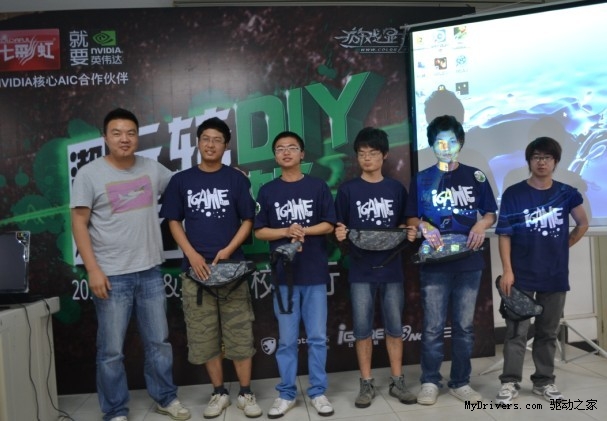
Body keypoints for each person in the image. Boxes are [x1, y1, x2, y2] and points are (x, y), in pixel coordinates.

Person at [70, 108, 191, 421]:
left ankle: (166, 397)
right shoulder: (89, 174)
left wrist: (225, 177)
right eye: (117, 133)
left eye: (130, 133)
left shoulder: (151, 168)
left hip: (150, 271)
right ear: (105, 137)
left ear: (137, 136)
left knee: (159, 343)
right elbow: (79, 223)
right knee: (111, 351)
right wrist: (93, 269)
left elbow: (183, 186)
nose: (124, 139)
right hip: (111, 275)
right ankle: (114, 410)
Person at [160, 117, 261, 419]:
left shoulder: (236, 180)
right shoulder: (182, 181)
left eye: (217, 139)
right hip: (197, 272)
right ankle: (219, 393)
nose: (211, 144)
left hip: (233, 271)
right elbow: (173, 220)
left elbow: (248, 220)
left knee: (239, 332)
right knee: (204, 334)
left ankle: (245, 393)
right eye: (206, 138)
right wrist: (191, 254)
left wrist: (228, 251)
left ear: (226, 145)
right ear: (198, 142)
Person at [405, 115, 497, 405]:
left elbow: (490, 213)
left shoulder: (475, 176)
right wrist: (424, 225)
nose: (446, 147)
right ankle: (430, 381)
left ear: (461, 143)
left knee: (464, 327)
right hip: (434, 263)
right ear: (432, 145)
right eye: (440, 142)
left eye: (452, 141)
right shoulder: (422, 179)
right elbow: (411, 217)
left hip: (469, 262)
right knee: (433, 327)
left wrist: (482, 224)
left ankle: (460, 381)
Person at [494, 137, 588, 404]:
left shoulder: (567, 193)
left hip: (554, 274)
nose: (542, 162)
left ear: (555, 162)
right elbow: (504, 234)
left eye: (547, 157)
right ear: (529, 161)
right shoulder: (513, 194)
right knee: (516, 332)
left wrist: (564, 245)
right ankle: (510, 382)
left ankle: (544, 381)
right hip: (521, 274)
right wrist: (507, 270)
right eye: (536, 157)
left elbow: (582, 223)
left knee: (548, 332)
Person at [254, 131, 336, 418]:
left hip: (314, 274)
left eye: (292, 147)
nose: (286, 152)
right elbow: (260, 231)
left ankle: (318, 391)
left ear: (302, 154)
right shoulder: (268, 190)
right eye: (280, 148)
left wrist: (303, 231)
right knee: (287, 340)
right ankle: (286, 393)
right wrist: (286, 231)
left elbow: (329, 224)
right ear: (275, 156)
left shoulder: (318, 186)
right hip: (283, 277)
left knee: (317, 338)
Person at [334, 127, 417, 408]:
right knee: (361, 329)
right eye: (362, 153)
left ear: (384, 155)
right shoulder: (347, 190)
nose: (367, 158)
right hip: (360, 270)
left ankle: (397, 380)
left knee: (395, 327)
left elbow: (406, 223)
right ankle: (366, 383)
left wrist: (410, 231)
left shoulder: (396, 189)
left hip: (392, 269)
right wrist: (339, 232)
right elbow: (338, 227)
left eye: (372, 153)